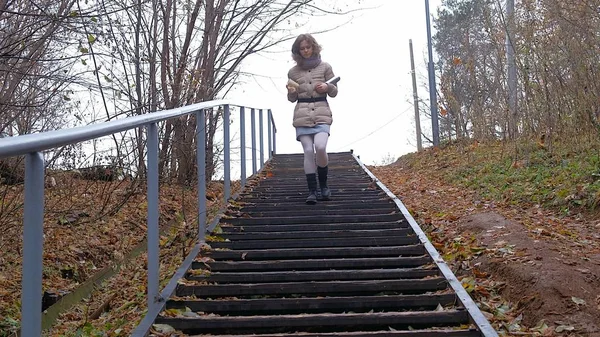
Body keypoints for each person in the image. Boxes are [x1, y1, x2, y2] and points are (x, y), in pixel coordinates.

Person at [286, 34, 338, 204]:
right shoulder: (293, 71)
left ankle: (324, 186)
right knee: (308, 150)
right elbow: (291, 98)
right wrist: (292, 92)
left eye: (308, 47)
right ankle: (312, 191)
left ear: (313, 47)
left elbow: (334, 92)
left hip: (322, 112)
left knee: (321, 147)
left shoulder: (325, 67)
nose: (306, 50)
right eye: (302, 48)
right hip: (302, 114)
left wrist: (327, 86)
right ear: (297, 51)